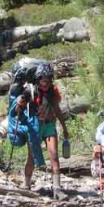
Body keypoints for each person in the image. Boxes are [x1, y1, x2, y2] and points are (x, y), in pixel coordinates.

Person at [28, 64, 69, 199]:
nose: (46, 84)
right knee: (32, 158)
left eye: (48, 81)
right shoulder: (31, 91)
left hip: (49, 125)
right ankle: (27, 184)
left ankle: (57, 189)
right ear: (38, 79)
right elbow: (22, 109)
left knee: (54, 155)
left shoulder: (53, 92)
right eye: (43, 81)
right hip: (35, 127)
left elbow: (57, 110)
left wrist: (64, 127)